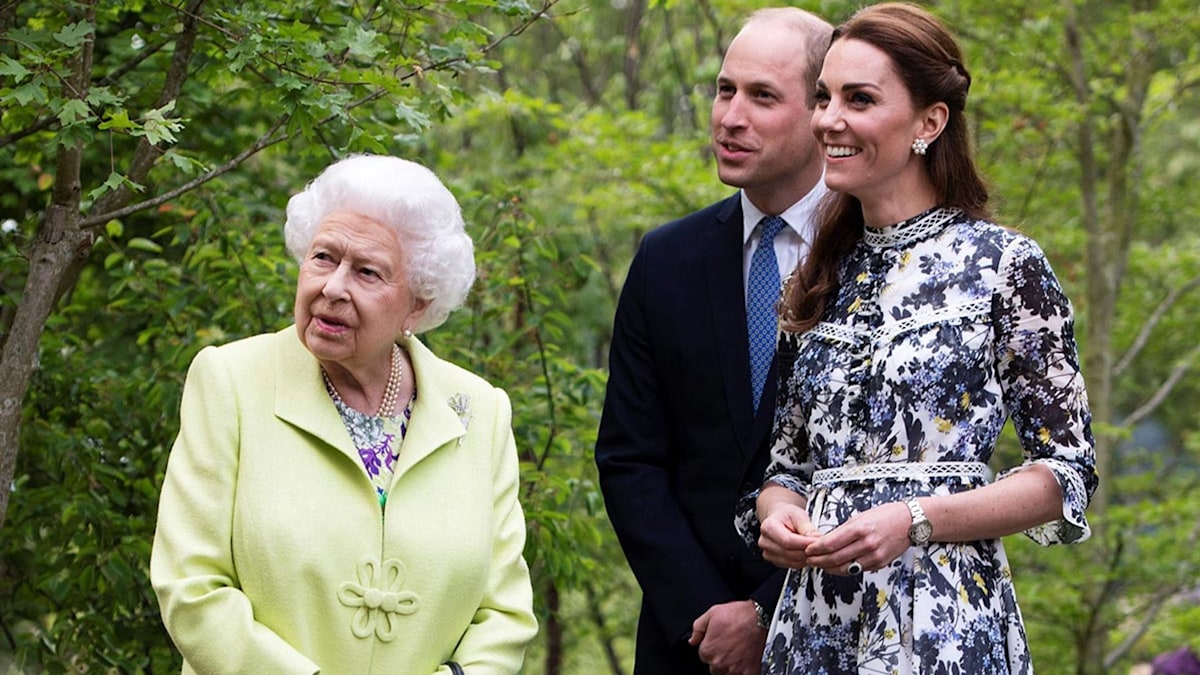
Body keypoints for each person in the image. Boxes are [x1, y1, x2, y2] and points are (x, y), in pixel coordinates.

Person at [735, 3, 1100, 673]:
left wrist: (915, 518)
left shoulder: (1004, 265)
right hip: (815, 627)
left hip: (944, 622)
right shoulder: (816, 274)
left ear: (929, 122)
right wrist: (779, 515)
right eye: (823, 97)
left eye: (859, 99)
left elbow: (1065, 472)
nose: (828, 120)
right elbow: (784, 468)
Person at [150, 154, 537, 674]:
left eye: (367, 272)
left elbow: (505, 613)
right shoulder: (231, 381)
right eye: (323, 258)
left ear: (418, 305)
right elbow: (191, 587)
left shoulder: (479, 411)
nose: (332, 288)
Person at [594, 8, 833, 675]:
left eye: (762, 96)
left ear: (823, 110)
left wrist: (767, 611)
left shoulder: (877, 263)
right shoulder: (666, 258)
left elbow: (887, 478)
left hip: (837, 633)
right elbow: (628, 458)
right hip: (687, 643)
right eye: (725, 90)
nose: (730, 116)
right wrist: (708, 614)